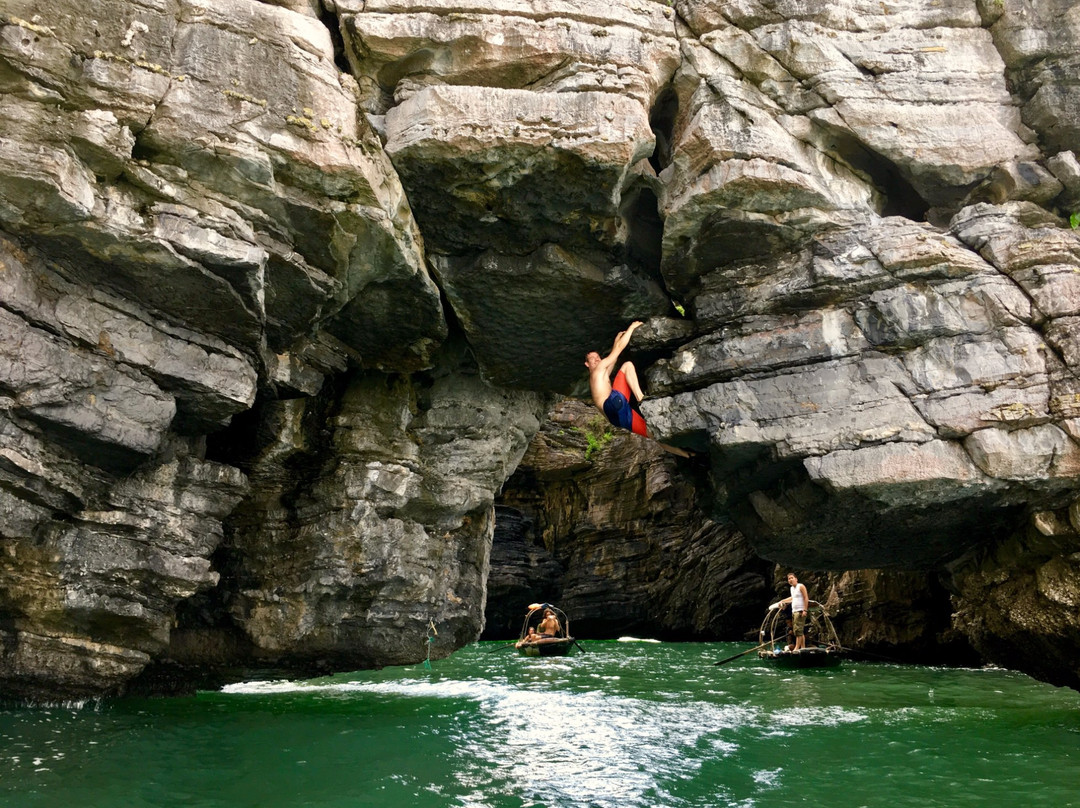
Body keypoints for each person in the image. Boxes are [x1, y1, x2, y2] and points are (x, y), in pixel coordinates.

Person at [584, 321, 693, 458]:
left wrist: (615, 342)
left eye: (597, 357)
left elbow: (614, 357)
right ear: (587, 364)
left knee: (651, 434)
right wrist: (631, 328)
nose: (596, 360)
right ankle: (641, 398)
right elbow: (618, 350)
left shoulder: (599, 375)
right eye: (592, 359)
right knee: (628, 365)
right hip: (612, 404)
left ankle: (684, 454)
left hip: (616, 418)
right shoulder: (597, 371)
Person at [769, 573, 809, 652]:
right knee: (799, 630)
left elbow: (806, 597)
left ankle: (797, 648)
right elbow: (792, 598)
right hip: (794, 611)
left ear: (796, 579)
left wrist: (805, 610)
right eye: (789, 579)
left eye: (792, 578)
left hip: (800, 610)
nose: (790, 580)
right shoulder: (792, 589)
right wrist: (782, 601)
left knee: (798, 631)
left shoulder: (800, 586)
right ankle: (803, 648)